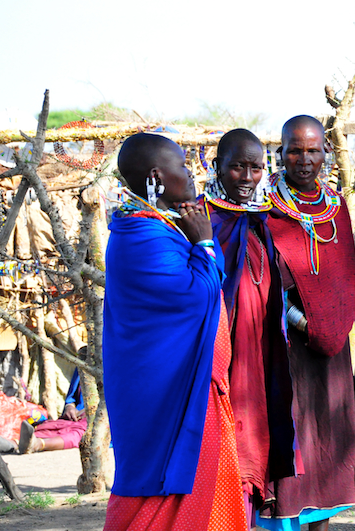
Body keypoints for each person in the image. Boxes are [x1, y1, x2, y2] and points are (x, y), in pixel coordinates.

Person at [102, 132, 246, 531]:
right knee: (170, 483)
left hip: (197, 386)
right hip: (169, 391)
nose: (192, 172)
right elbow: (196, 295)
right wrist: (203, 242)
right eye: (182, 165)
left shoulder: (159, 228)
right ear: (156, 177)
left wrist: (197, 241)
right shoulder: (142, 237)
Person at [257, 116, 355, 531]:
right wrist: (299, 319)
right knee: (292, 431)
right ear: (280, 154)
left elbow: (346, 276)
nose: (304, 159)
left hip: (331, 351)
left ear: (325, 154)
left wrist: (328, 322)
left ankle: (321, 522)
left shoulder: (337, 209)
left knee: (326, 439)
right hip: (283, 344)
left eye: (313, 150)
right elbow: (259, 280)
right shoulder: (265, 209)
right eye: (295, 150)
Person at [202, 128, 296, 529]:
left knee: (254, 441)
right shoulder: (201, 219)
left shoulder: (267, 219)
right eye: (237, 166)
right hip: (218, 357)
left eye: (255, 167)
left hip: (260, 356)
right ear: (216, 165)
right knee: (221, 447)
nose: (246, 176)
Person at [18, 368, 87, 454]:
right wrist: (70, 408)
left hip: (98, 420)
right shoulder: (82, 367)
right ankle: (13, 443)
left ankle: (37, 444)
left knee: (80, 434)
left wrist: (89, 411)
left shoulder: (107, 367)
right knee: (50, 427)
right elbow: (71, 399)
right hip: (76, 418)